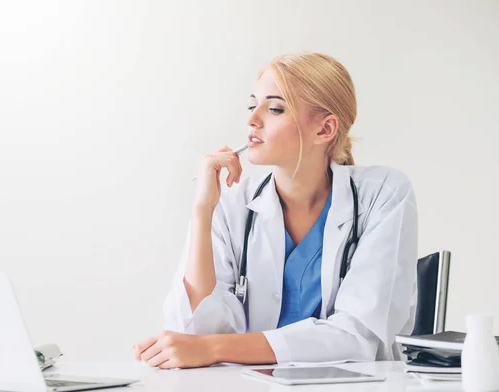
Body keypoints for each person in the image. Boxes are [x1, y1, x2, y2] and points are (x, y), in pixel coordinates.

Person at [132, 53, 418, 369]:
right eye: (252, 105)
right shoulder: (231, 203)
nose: (252, 120)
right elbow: (193, 331)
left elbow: (358, 336)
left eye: (275, 108)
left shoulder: (382, 193)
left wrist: (214, 347)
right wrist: (202, 211)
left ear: (324, 130)